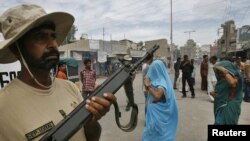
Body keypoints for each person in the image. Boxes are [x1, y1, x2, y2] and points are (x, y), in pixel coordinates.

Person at [0, 4, 116, 141]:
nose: (53, 44)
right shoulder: (3, 107)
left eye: (53, 36)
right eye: (40, 37)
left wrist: (92, 118)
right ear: (16, 49)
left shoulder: (70, 88)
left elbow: (92, 138)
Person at [142, 54, 178, 141]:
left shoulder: (161, 81)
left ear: (156, 69)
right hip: (154, 114)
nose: (151, 69)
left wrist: (148, 86)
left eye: (153, 68)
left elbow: (158, 96)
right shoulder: (156, 79)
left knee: (155, 133)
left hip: (158, 116)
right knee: (153, 132)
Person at [211, 60, 243, 125]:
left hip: (229, 107)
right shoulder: (223, 80)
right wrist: (215, 94)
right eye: (219, 72)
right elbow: (221, 92)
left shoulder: (236, 78)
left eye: (221, 72)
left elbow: (232, 83)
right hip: (221, 106)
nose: (220, 74)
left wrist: (224, 70)